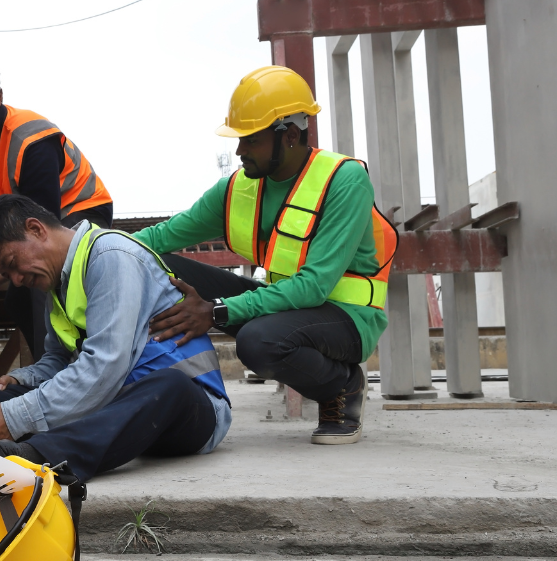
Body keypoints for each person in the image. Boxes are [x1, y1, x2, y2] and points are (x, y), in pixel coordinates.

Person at [135, 65, 397, 446]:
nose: (239, 150)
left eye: (250, 140)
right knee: (158, 264)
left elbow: (314, 287)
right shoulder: (238, 188)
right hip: (288, 308)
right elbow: (160, 237)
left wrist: (216, 310)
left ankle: (342, 385)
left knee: (258, 342)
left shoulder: (344, 181)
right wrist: (89, 249)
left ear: (290, 135)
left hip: (346, 318)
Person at [0, 195, 232, 483]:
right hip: (114, 400)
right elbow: (58, 361)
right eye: (8, 276)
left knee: (168, 385)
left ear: (36, 229)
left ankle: (31, 457)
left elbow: (105, 366)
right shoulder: (58, 285)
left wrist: (18, 415)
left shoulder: (112, 256)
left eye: (12, 265)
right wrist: (19, 379)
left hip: (189, 408)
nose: (18, 281)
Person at [0, 45, 114, 361]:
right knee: (17, 300)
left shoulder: (32, 140)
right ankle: (53, 368)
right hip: (27, 222)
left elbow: (39, 234)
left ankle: (77, 371)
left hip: (80, 212)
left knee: (39, 285)